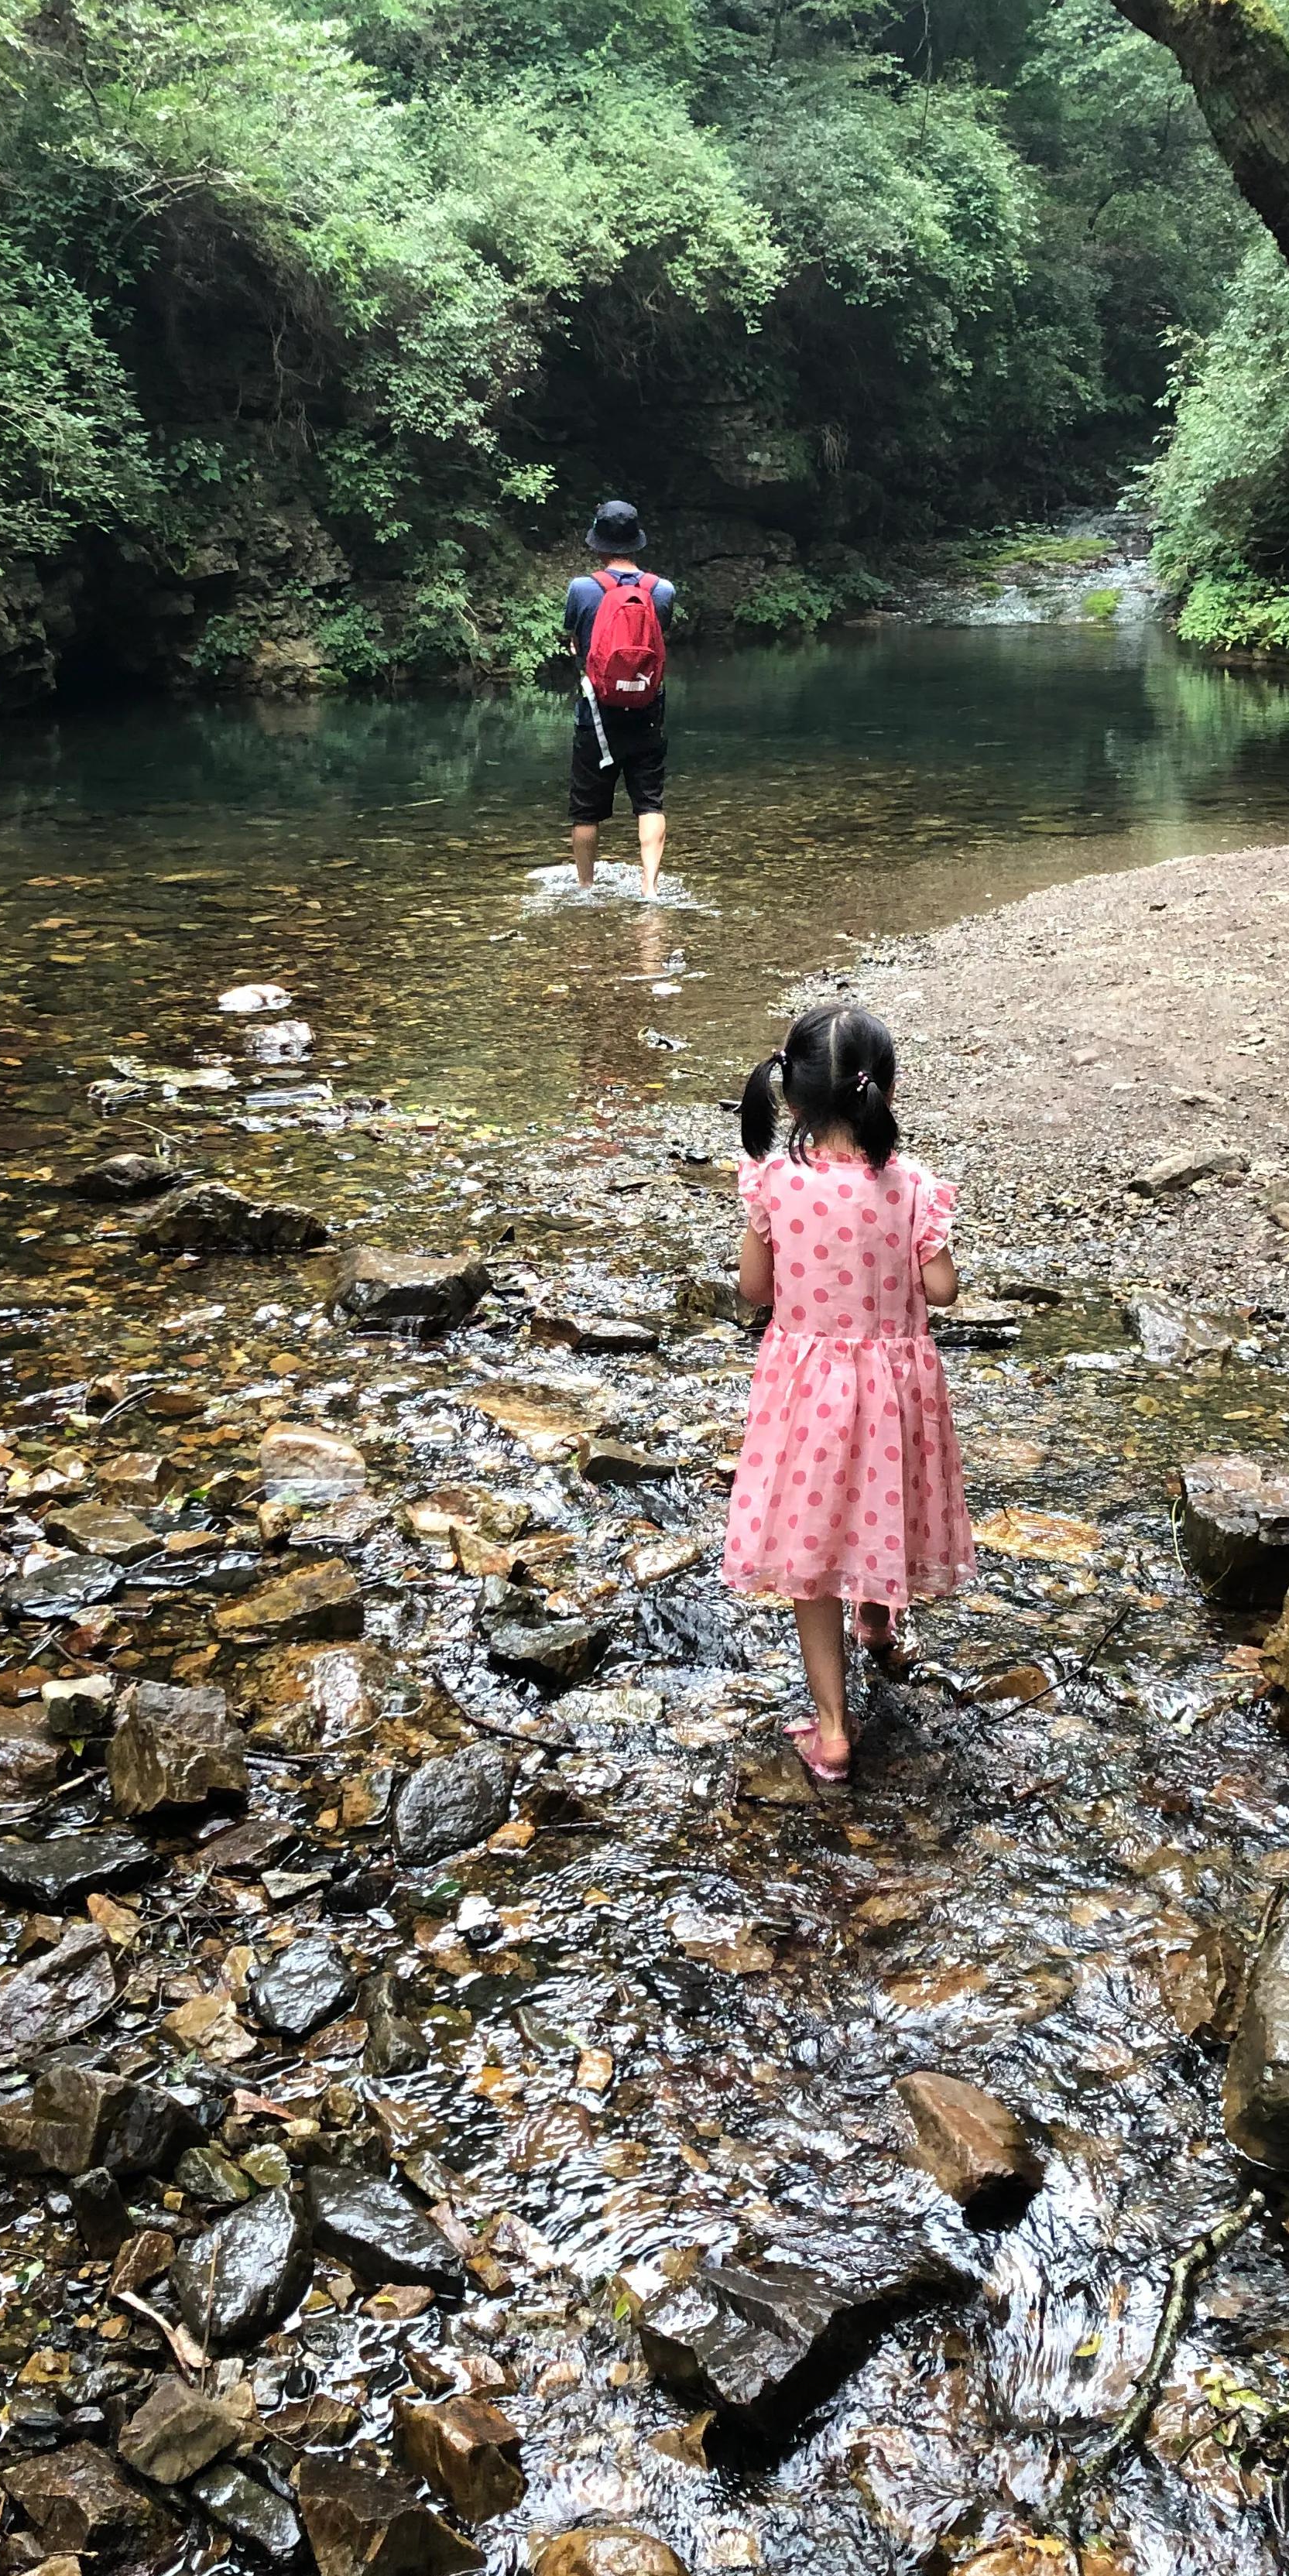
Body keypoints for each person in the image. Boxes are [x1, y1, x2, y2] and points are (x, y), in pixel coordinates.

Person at [720, 1002, 975, 1783]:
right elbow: (944, 1291)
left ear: (791, 1100)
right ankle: (879, 1622)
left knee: (812, 1545)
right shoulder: (912, 1188)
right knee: (881, 1503)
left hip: (806, 1393)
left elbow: (755, 1292)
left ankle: (831, 1731)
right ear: (883, 1094)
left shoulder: (773, 1183)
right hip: (894, 1392)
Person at [566, 498, 675, 898]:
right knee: (649, 802)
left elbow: (577, 643)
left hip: (596, 713)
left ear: (598, 543)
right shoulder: (662, 590)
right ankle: (650, 888)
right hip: (647, 708)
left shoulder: (582, 588)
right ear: (636, 541)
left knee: (585, 809)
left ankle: (585, 887)